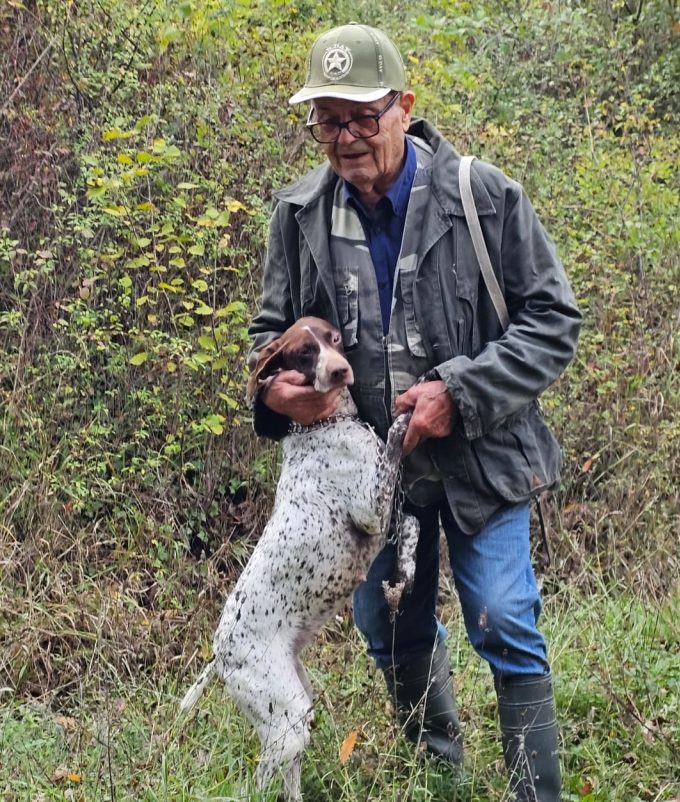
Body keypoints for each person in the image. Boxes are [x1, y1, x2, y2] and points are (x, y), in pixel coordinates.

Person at [247, 22, 581, 802]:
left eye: (364, 115)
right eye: (328, 120)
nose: (347, 137)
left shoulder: (483, 197)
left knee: (503, 620)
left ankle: (541, 795)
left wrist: (457, 394)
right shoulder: (298, 216)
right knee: (391, 632)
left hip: (481, 459)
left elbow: (553, 321)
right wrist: (275, 392)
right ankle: (443, 781)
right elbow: (268, 339)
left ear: (404, 105)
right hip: (366, 487)